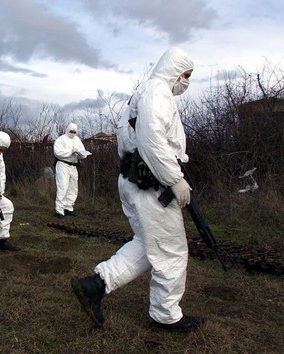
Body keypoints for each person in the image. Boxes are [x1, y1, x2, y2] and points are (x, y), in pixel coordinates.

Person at [70, 47, 202, 330]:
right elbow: (152, 139)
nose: (186, 82)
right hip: (151, 184)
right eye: (186, 75)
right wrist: (173, 178)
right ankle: (166, 315)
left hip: (136, 181)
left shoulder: (144, 92)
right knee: (171, 250)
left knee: (147, 243)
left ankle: (96, 284)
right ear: (174, 70)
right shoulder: (157, 91)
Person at [53, 123, 87, 219]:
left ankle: (69, 207)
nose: (73, 133)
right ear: (67, 130)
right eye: (71, 131)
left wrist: (81, 154)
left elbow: (83, 153)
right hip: (63, 165)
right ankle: (59, 210)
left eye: (74, 132)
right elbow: (57, 152)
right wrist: (70, 152)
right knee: (63, 187)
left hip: (73, 166)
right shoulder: (61, 139)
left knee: (73, 188)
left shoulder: (77, 140)